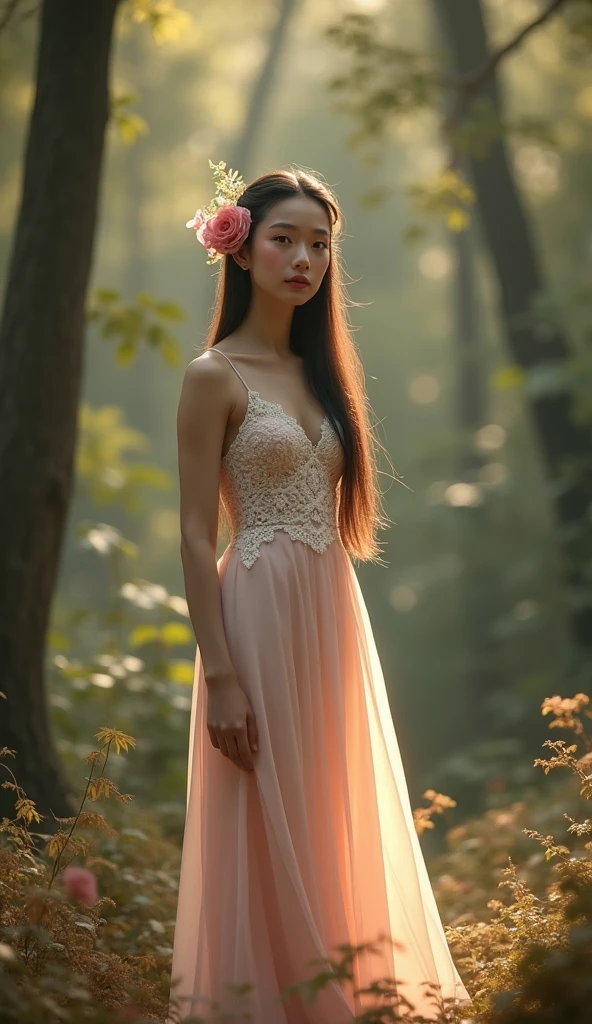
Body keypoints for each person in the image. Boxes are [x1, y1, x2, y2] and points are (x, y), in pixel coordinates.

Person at [168, 160, 472, 1023]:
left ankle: (352, 989)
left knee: (331, 801)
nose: (304, 258)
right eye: (285, 239)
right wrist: (219, 671)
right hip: (255, 610)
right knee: (264, 807)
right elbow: (195, 534)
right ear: (240, 246)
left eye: (320, 244)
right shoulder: (212, 376)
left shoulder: (323, 374)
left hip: (332, 612)